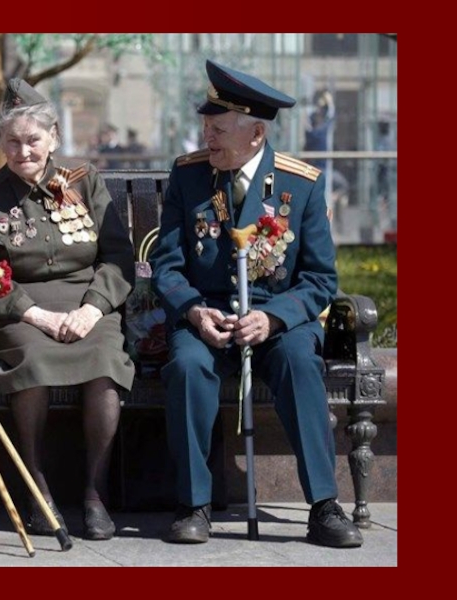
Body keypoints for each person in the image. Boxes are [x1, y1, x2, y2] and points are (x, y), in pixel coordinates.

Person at [149, 60, 363, 548]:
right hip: (207, 314)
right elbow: (166, 266)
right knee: (187, 367)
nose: (207, 137)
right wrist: (194, 311)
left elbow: (319, 279)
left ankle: (324, 505)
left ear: (256, 133)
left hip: (278, 317)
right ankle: (193, 505)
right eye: (206, 126)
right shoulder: (189, 176)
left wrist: (272, 318)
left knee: (300, 364)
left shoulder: (300, 183)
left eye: (218, 129)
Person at [0, 78, 135, 541]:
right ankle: (37, 489)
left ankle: (95, 493)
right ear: (0, 142)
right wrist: (36, 315)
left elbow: (118, 256)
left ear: (54, 138)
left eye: (33, 140)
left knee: (105, 364)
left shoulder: (84, 180)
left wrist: (93, 309)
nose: (23, 151)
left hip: (87, 305)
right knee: (34, 363)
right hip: (20, 313)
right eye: (12, 141)